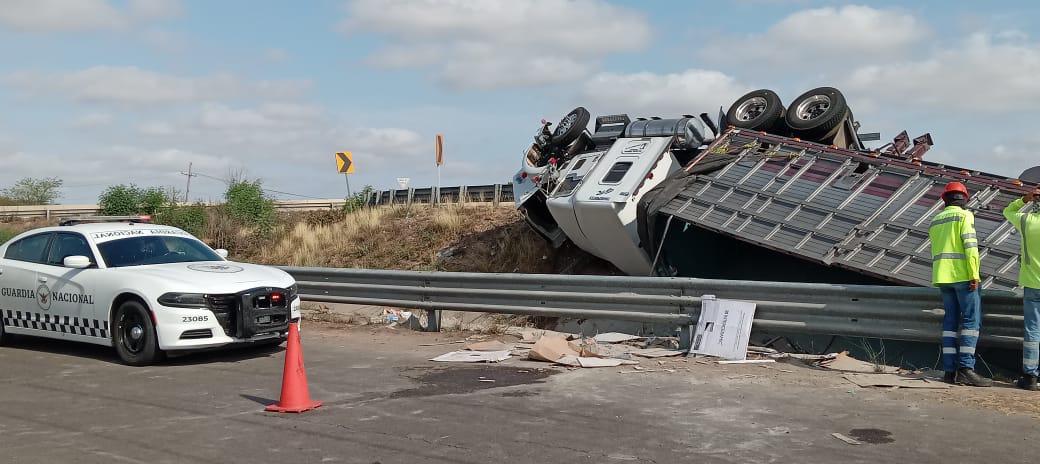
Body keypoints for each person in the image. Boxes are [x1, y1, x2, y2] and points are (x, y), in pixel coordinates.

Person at [929, 181, 992, 386]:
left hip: (942, 277)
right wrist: (974, 274)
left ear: (944, 200)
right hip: (963, 276)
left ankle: (949, 371)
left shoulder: (935, 220)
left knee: (949, 323)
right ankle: (966, 369)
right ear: (964, 199)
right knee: (970, 323)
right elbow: (970, 247)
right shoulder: (965, 216)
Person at [1003, 188, 1040, 390]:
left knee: (1032, 331)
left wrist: (1023, 199)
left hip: (1032, 284)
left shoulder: (1026, 221)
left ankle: (1030, 377)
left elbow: (1007, 212)